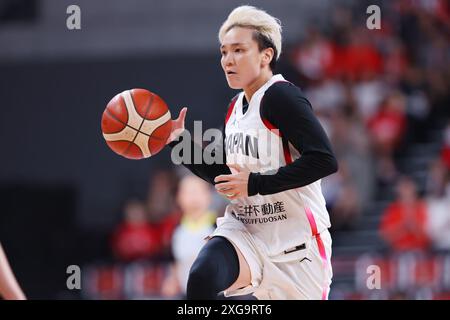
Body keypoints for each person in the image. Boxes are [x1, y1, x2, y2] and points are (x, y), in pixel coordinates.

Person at [166, 5, 338, 300]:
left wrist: (256, 183)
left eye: (238, 50)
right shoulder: (235, 107)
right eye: (223, 52)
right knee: (201, 276)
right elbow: (227, 177)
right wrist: (178, 143)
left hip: (296, 249)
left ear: (265, 55)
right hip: (247, 232)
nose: (227, 60)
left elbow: (324, 160)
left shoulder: (281, 96)